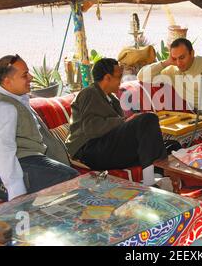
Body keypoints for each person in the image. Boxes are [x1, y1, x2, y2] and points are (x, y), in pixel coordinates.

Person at [0, 55, 79, 202]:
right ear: (7, 81)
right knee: (67, 180)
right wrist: (16, 191)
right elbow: (1, 151)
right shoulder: (0, 108)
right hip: (1, 175)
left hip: (28, 162)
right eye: (25, 75)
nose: (30, 77)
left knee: (70, 180)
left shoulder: (19, 99)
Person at [66, 58, 167, 187]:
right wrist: (125, 121)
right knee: (147, 119)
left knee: (166, 145)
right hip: (89, 150)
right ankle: (150, 179)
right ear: (107, 78)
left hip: (105, 148)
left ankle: (157, 177)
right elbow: (92, 128)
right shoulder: (89, 93)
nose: (121, 80)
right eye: (119, 76)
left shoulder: (112, 99)